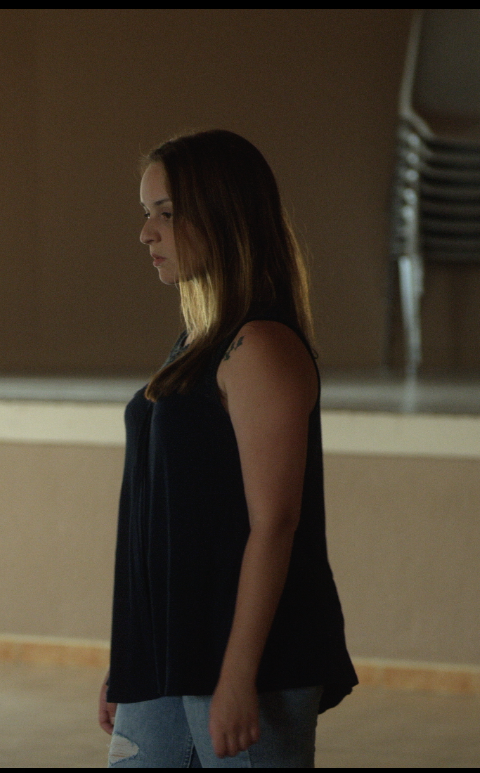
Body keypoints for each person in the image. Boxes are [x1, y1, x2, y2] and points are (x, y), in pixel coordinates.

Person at [99, 130, 357, 768]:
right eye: (147, 213)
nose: (147, 233)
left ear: (222, 216)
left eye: (166, 213)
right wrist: (130, 660)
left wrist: (238, 675)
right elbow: (162, 523)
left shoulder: (259, 345)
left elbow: (275, 523)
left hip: (243, 660)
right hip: (172, 656)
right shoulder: (200, 343)